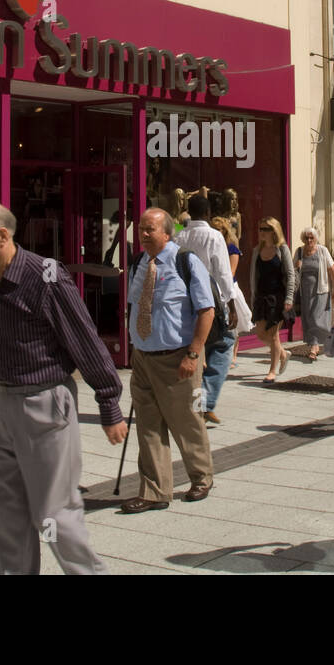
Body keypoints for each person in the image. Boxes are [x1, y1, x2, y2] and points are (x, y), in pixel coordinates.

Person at [0, 197, 126, 574]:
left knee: (55, 517)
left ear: (2, 235)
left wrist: (109, 404)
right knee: (9, 514)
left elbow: (84, 340)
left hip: (43, 404)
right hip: (3, 402)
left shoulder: (45, 276)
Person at [123, 208, 216, 512]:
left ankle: (201, 477)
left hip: (178, 358)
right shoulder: (138, 263)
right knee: (147, 426)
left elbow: (206, 310)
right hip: (143, 358)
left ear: (166, 232)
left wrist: (193, 354)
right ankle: (154, 492)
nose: (143, 234)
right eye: (141, 229)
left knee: (187, 422)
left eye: (150, 229)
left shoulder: (185, 261)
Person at [176, 193, 238, 425]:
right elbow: (223, 273)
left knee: (194, 350)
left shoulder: (179, 235)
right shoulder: (213, 236)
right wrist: (231, 304)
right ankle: (205, 402)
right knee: (223, 345)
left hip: (184, 302)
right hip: (209, 302)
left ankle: (194, 404)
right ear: (208, 213)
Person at [249, 217, 295, 383]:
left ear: (273, 231)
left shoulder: (282, 249)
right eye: (260, 229)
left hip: (278, 297)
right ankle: (283, 353)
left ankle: (272, 371)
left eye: (264, 229)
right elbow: (253, 277)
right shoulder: (257, 251)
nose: (261, 232)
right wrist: (253, 297)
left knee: (274, 335)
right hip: (262, 297)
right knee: (261, 334)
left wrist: (289, 298)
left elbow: (291, 275)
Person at [293, 227, 334, 362]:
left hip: (320, 290)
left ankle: (314, 346)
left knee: (316, 318)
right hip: (305, 293)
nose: (309, 240)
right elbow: (293, 271)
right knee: (308, 318)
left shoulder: (322, 251)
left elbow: (332, 270)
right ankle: (315, 344)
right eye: (306, 238)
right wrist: (297, 266)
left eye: (311, 238)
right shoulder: (299, 252)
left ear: (315, 238)